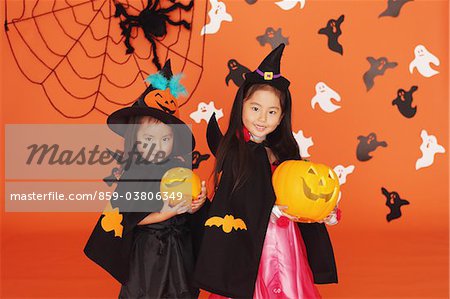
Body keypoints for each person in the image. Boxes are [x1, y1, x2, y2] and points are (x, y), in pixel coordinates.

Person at [194, 44, 338, 299]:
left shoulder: (285, 155)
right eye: (255, 108)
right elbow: (232, 200)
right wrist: (269, 206)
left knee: (287, 283)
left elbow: (305, 193)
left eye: (272, 112)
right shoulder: (235, 153)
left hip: (285, 242)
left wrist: (326, 212)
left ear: (282, 117)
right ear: (242, 107)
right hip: (248, 243)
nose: (262, 119)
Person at [84, 60, 209, 299]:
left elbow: (192, 211)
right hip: (149, 251)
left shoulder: (180, 170)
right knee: (147, 290)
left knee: (180, 290)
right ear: (135, 138)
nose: (157, 147)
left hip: (180, 249)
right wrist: (164, 214)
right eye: (149, 139)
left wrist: (199, 203)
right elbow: (125, 216)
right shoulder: (134, 174)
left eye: (165, 139)